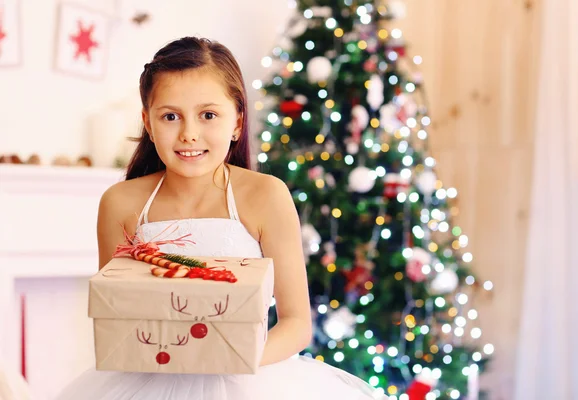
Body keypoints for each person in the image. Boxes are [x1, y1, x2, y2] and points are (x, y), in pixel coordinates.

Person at [56, 37, 387, 400]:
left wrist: (229, 357)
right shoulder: (120, 202)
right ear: (147, 123)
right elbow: (116, 314)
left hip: (250, 379)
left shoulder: (266, 196)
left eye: (208, 115)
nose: (189, 134)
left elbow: (296, 324)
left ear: (237, 121)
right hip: (145, 380)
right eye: (170, 116)